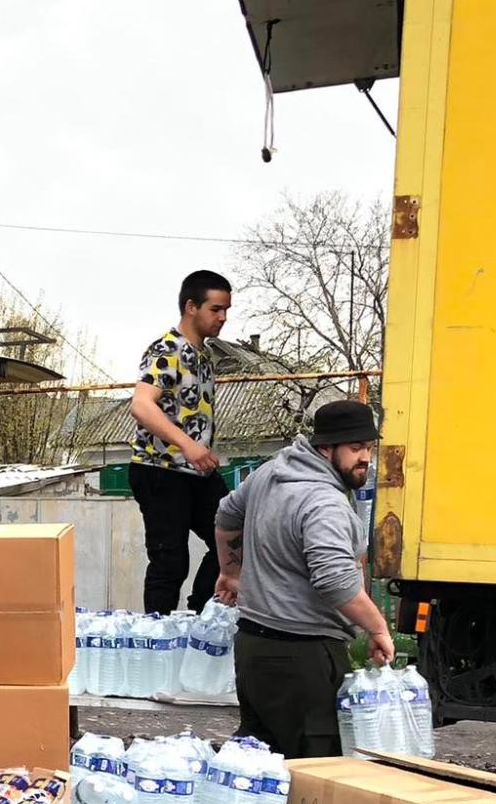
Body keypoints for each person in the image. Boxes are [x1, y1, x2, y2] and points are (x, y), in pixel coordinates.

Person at [211, 399, 395, 759]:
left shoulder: (270, 473)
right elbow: (334, 581)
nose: (366, 458)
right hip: (303, 655)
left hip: (253, 649)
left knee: (257, 766)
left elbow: (226, 515)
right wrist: (377, 629)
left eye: (369, 448)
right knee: (314, 772)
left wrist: (231, 571)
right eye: (355, 448)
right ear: (326, 449)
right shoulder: (324, 502)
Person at [129, 270, 232, 613]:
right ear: (191, 307)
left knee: (236, 539)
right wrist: (188, 445)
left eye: (226, 310)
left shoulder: (203, 355)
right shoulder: (167, 349)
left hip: (197, 473)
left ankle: (200, 615)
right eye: (215, 309)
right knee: (170, 562)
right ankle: (157, 641)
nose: (223, 318)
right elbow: (141, 405)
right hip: (160, 469)